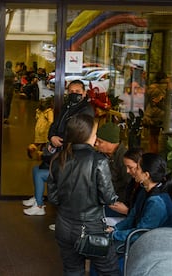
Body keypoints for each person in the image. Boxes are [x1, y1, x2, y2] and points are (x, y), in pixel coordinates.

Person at [47, 113, 120, 275]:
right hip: (91, 227)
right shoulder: (98, 160)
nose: (96, 136)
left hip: (63, 226)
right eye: (95, 132)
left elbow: (52, 197)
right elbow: (108, 198)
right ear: (86, 134)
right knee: (108, 270)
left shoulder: (58, 158)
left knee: (72, 270)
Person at [44, 79, 94, 230]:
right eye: (71, 92)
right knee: (61, 184)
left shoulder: (86, 110)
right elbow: (55, 125)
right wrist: (52, 137)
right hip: (61, 150)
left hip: (74, 151)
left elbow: (78, 131)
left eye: (78, 92)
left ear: (84, 93)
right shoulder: (66, 106)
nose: (74, 95)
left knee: (70, 187)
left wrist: (63, 141)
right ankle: (62, 220)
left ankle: (66, 223)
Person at [107, 153, 172, 243]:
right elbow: (132, 218)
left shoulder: (157, 202)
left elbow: (141, 233)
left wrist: (114, 234)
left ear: (146, 175)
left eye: (137, 168)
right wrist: (114, 229)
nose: (134, 171)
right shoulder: (144, 190)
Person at [23, 97, 54, 216]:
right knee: (36, 169)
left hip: (44, 137)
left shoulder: (49, 113)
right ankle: (37, 197)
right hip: (41, 136)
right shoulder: (41, 112)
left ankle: (39, 204)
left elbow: (50, 123)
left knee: (39, 171)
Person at [95, 122, 131, 216]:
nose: (96, 144)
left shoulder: (124, 158)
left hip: (118, 204)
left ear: (112, 143)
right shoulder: (100, 154)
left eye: (100, 141)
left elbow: (129, 185)